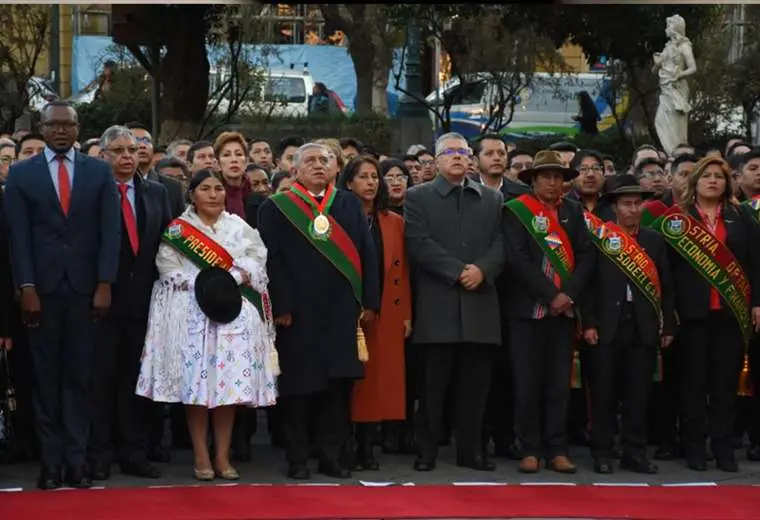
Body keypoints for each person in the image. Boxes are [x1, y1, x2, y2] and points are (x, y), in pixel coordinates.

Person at [4, 101, 121, 489]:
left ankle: (77, 462)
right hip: (42, 292)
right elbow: (17, 238)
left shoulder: (99, 172)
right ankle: (50, 464)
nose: (59, 131)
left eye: (66, 125)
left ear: (76, 128)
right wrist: (27, 287)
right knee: (45, 379)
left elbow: (110, 232)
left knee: (79, 378)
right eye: (52, 125)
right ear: (41, 128)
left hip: (87, 292)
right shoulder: (22, 175)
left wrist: (105, 283)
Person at [136, 169, 279, 481]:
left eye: (218, 189)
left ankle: (222, 455)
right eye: (205, 188)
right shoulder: (178, 230)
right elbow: (166, 267)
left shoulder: (238, 227)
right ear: (193, 194)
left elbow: (257, 259)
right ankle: (201, 455)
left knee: (227, 392)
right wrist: (202, 284)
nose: (213, 194)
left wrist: (235, 277)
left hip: (233, 319)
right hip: (192, 317)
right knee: (197, 392)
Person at [257, 143, 380, 480]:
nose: (318, 166)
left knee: (337, 389)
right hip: (298, 312)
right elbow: (271, 260)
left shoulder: (348, 204)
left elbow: (366, 254)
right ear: (294, 169)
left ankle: (332, 456)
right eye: (309, 160)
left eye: (325, 160)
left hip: (342, 310)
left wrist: (369, 301)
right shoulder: (276, 207)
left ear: (336, 168)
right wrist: (281, 306)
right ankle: (298, 457)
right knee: (298, 388)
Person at [405, 132, 505, 472]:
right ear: (436, 160)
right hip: (438, 305)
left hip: (481, 305)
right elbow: (418, 242)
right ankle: (427, 451)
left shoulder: (492, 199)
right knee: (433, 388)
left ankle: (471, 451)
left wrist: (483, 270)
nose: (458, 157)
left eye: (463, 152)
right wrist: (458, 270)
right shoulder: (417, 197)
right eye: (450, 152)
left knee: (475, 389)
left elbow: (502, 243)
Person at [653, 157, 760, 472]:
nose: (713, 181)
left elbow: (756, 264)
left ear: (728, 183)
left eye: (719, 176)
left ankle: (724, 449)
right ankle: (695, 448)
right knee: (693, 385)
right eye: (707, 176)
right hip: (692, 315)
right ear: (695, 182)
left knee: (725, 385)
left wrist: (757, 302)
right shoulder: (678, 220)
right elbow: (667, 271)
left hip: (730, 314)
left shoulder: (741, 218)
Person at [502, 150, 594, 474]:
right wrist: (550, 294)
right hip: (528, 311)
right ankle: (529, 448)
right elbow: (516, 260)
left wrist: (567, 295)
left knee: (558, 384)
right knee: (526, 382)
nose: (552, 182)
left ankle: (558, 448)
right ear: (534, 180)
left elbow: (586, 256)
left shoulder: (573, 211)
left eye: (558, 176)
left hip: (563, 313)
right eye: (546, 176)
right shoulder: (515, 212)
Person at [87, 126, 172, 481]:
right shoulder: (91, 192)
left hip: (144, 302)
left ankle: (133, 452)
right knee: (100, 381)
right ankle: (99, 453)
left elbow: (165, 245)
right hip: (101, 302)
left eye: (132, 150)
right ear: (104, 155)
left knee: (136, 381)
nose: (126, 156)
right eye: (118, 150)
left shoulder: (157, 192)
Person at [581, 175, 676, 475]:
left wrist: (668, 327)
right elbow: (588, 286)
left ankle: (634, 452)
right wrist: (590, 323)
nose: (633, 209)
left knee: (638, 395)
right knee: (604, 394)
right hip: (607, 325)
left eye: (638, 204)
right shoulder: (600, 238)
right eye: (626, 204)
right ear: (614, 207)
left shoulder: (653, 239)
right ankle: (603, 452)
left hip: (643, 326)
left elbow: (668, 286)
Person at [338, 156, 412, 471]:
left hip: (385, 309)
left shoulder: (393, 221)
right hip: (347, 311)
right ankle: (345, 445)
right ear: (348, 182)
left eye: (374, 177)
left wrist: (406, 313)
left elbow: (405, 271)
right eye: (363, 177)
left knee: (379, 381)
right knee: (352, 382)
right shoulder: (335, 218)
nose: (371, 182)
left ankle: (368, 447)